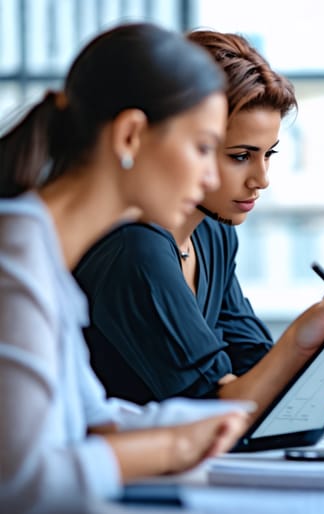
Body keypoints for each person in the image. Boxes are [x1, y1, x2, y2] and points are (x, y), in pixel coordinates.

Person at [73, 30, 324, 422]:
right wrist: (296, 346)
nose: (261, 179)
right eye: (240, 156)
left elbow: (250, 363)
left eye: (268, 155)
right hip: (135, 474)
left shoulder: (213, 232)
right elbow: (211, 405)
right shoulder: (134, 248)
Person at [0, 23, 251, 513]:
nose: (211, 175)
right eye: (202, 147)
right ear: (131, 136)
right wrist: (172, 447)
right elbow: (21, 483)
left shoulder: (41, 250)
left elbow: (92, 415)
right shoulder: (15, 259)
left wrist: (228, 421)